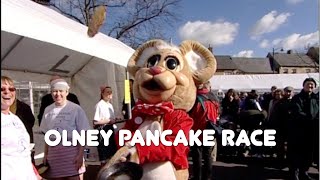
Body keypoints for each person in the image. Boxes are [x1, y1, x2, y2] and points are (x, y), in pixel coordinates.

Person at [40, 78, 90, 180]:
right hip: (54, 156)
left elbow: (83, 133)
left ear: (66, 92)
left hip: (72, 154)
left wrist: (80, 155)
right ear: (51, 93)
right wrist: (46, 154)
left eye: (61, 91)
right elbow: (47, 135)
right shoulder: (48, 110)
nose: (58, 94)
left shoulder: (76, 109)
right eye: (55, 91)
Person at [1, 76, 41, 180]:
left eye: (11, 89)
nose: (7, 92)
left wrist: (35, 174)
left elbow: (23, 152)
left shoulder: (15, 119)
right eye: (2, 89)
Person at [288, 78, 319, 180]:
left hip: (312, 131)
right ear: (303, 86)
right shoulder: (297, 98)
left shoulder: (316, 98)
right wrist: (310, 119)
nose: (310, 87)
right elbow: (297, 112)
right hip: (299, 131)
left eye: (312, 85)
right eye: (308, 85)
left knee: (308, 154)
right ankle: (294, 174)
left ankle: (304, 172)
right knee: (297, 153)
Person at [188, 81, 220, 180]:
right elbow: (218, 112)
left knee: (197, 156)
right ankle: (207, 177)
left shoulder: (194, 99)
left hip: (197, 130)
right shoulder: (214, 98)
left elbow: (190, 115)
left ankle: (197, 176)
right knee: (207, 155)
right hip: (210, 129)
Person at [93, 85, 118, 166]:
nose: (110, 94)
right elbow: (95, 122)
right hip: (103, 130)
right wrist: (108, 121)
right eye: (107, 92)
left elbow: (111, 119)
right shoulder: (99, 105)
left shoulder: (110, 105)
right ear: (102, 94)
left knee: (112, 154)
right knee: (104, 156)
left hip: (110, 130)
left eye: (111, 92)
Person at [10, 97, 36, 164]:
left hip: (23, 148)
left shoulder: (24, 107)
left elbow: (31, 123)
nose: (7, 92)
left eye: (11, 89)